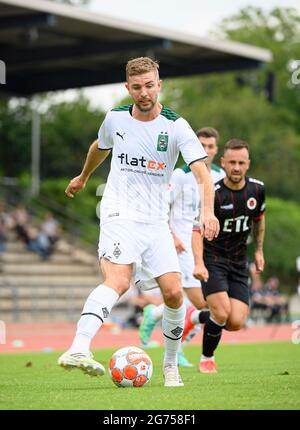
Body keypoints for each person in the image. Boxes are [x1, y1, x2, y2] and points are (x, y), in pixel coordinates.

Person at [57, 57, 219, 387]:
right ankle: (78, 348)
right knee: (118, 280)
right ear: (127, 88)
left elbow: (201, 171)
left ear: (159, 85)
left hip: (155, 222)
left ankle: (170, 365)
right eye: (136, 87)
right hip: (119, 213)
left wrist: (208, 211)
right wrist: (84, 176)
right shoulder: (115, 118)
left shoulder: (176, 126)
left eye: (149, 85)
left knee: (174, 294)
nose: (143, 93)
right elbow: (99, 147)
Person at [138, 127, 225, 366]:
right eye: (202, 146)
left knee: (213, 308)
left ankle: (155, 314)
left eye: (210, 146)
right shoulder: (179, 175)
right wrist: (172, 235)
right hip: (184, 248)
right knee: (205, 305)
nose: (206, 151)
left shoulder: (219, 176)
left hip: (212, 250)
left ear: (216, 150)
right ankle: (178, 348)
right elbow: (160, 208)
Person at [192, 138, 266, 373]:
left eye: (241, 163)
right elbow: (196, 230)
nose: (236, 167)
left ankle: (195, 317)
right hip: (213, 260)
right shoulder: (213, 193)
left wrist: (259, 251)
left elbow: (259, 221)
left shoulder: (257, 189)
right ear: (222, 163)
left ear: (248, 164)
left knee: (235, 322)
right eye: (232, 162)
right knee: (222, 313)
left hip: (238, 262)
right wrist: (198, 263)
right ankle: (206, 358)